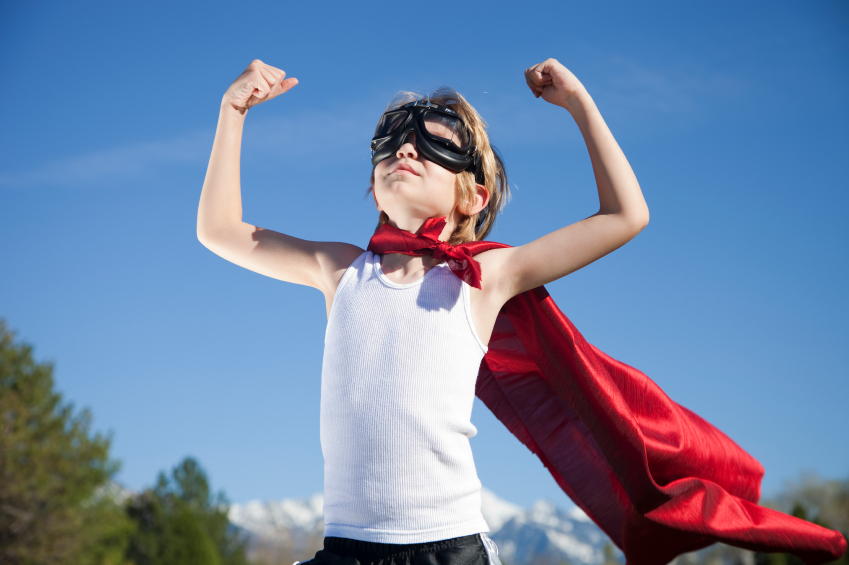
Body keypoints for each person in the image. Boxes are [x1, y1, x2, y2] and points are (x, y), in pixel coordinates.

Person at [198, 61, 846, 565]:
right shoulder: (339, 270)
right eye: (392, 140)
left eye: (432, 144)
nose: (406, 148)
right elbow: (220, 229)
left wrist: (579, 105)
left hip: (449, 549)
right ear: (371, 184)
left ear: (471, 194)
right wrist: (232, 112)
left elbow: (626, 215)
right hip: (344, 544)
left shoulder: (485, 277)